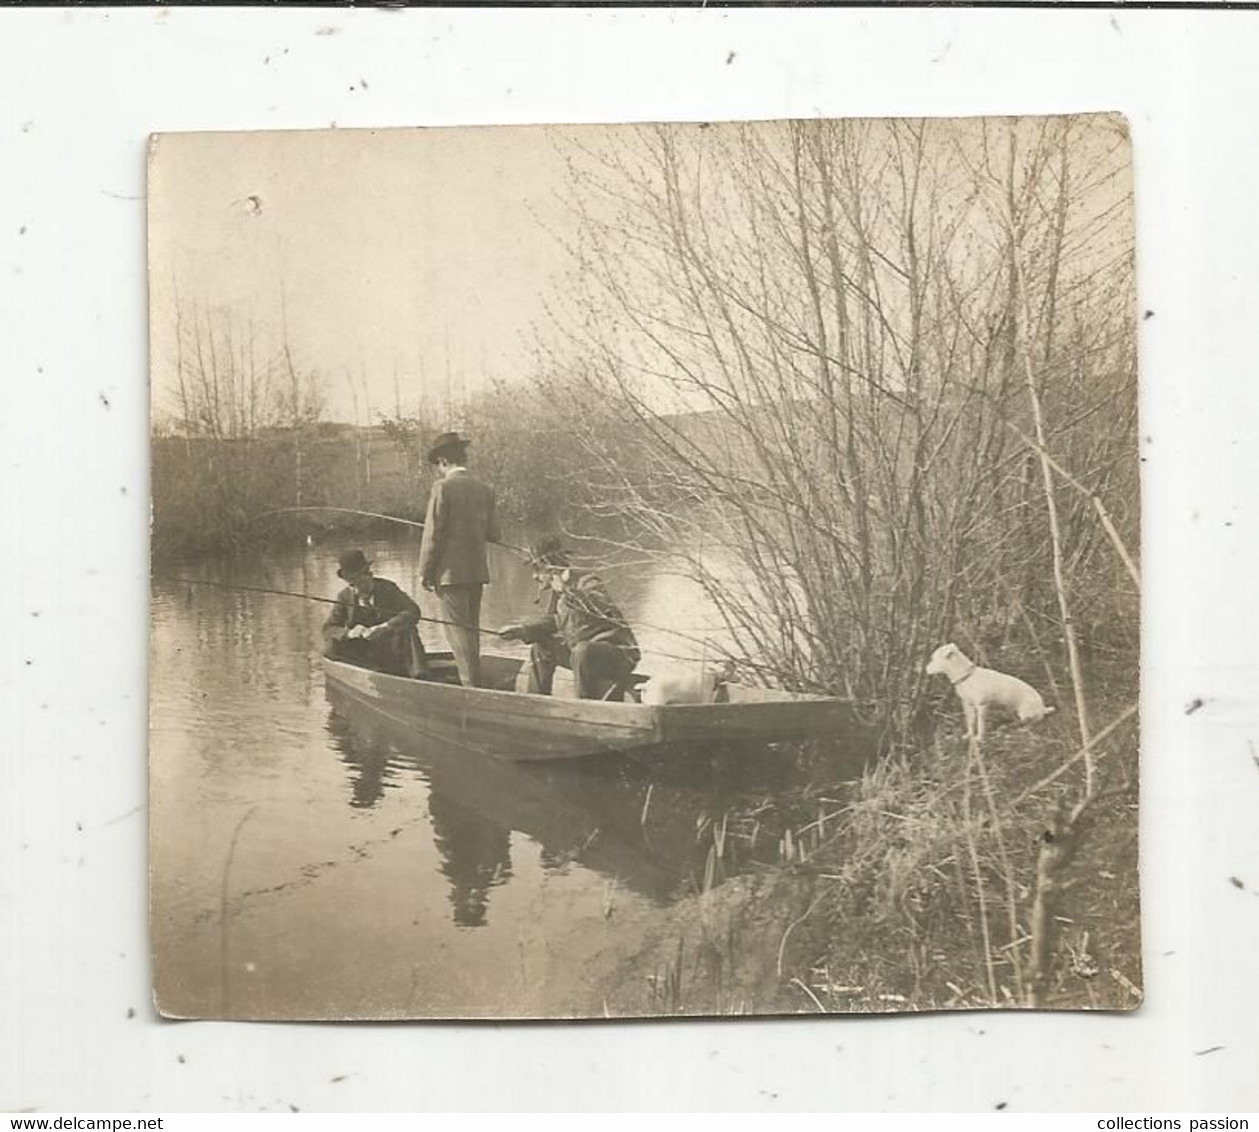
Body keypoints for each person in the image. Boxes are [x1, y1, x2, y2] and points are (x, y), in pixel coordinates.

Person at [497, 535, 641, 701]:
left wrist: (566, 592)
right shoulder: (557, 591)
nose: (534, 576)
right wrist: (522, 630)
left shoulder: (588, 581)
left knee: (582, 651)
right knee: (542, 647)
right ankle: (536, 703)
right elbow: (554, 622)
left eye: (537, 569)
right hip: (583, 656)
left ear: (551, 567)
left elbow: (597, 609)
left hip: (619, 656)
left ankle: (583, 707)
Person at [418, 431, 501, 687]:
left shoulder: (442, 488)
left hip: (450, 575)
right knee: (472, 629)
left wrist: (425, 572)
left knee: (457, 631)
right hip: (477, 572)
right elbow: (495, 534)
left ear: (444, 461)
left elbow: (433, 536)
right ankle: (474, 681)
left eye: (438, 466)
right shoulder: (485, 489)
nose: (438, 471)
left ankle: (470, 688)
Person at [322, 549, 428, 678]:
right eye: (351, 584)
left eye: (359, 582)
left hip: (390, 647)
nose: (356, 589)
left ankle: (419, 677)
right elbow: (328, 629)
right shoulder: (344, 596)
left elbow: (413, 611)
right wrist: (349, 633)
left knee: (409, 630)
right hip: (363, 651)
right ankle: (360, 675)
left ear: (369, 575)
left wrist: (386, 626)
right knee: (330, 647)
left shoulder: (388, 588)